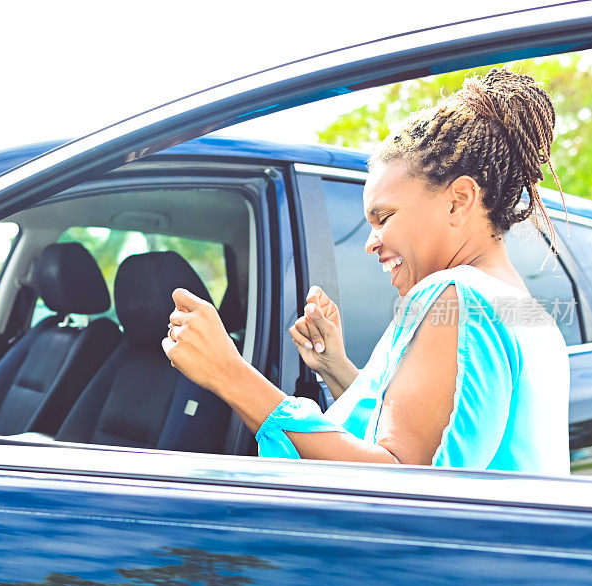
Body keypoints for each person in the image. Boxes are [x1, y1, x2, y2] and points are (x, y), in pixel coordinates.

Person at [162, 68, 570, 475]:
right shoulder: (529, 314)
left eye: (384, 217)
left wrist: (228, 374)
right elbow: (441, 435)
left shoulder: (456, 294)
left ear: (459, 200)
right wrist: (335, 366)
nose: (370, 242)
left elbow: (394, 480)